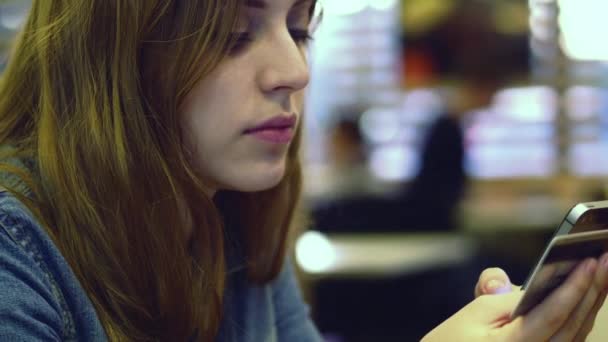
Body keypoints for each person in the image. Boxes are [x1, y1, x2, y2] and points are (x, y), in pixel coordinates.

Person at [0, 1, 606, 341]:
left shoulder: (239, 224)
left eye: (298, 30)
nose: (295, 70)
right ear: (111, 58)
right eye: (234, 34)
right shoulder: (16, 254)